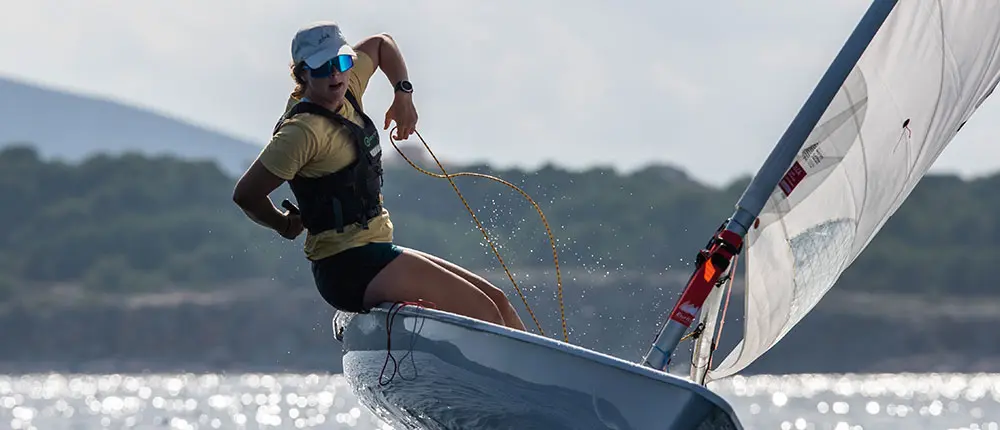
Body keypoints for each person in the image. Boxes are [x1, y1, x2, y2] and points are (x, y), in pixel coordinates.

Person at [232, 22, 527, 332]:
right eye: (323, 68)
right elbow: (246, 194)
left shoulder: (348, 88)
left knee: (498, 302)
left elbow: (382, 43)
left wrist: (403, 94)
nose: (335, 75)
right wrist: (284, 225)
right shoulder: (302, 132)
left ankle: (540, 363)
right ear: (303, 73)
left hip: (375, 251)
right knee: (485, 312)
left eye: (341, 62)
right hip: (346, 266)